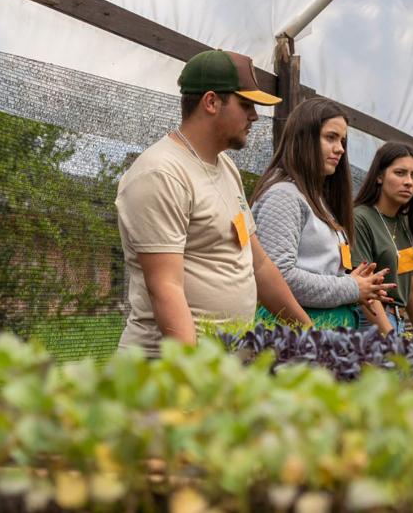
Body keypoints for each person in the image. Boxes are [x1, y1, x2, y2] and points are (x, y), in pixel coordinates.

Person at [115, 49, 311, 357]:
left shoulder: (225, 167)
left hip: (221, 367)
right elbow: (166, 287)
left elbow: (258, 264)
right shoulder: (161, 173)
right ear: (211, 102)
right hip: (167, 370)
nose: (255, 116)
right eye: (246, 104)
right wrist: (196, 378)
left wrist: (310, 335)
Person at [250, 97, 394, 327]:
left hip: (327, 330)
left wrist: (359, 283)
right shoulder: (283, 195)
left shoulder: (318, 198)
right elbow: (280, 277)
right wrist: (352, 287)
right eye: (330, 137)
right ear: (303, 138)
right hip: (294, 331)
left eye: (342, 140)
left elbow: (318, 268)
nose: (340, 149)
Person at [352, 142, 413, 334]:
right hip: (369, 323)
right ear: (379, 176)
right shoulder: (360, 218)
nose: (409, 182)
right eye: (400, 173)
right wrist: (390, 337)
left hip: (397, 321)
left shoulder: (404, 223)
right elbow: (365, 287)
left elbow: (411, 287)